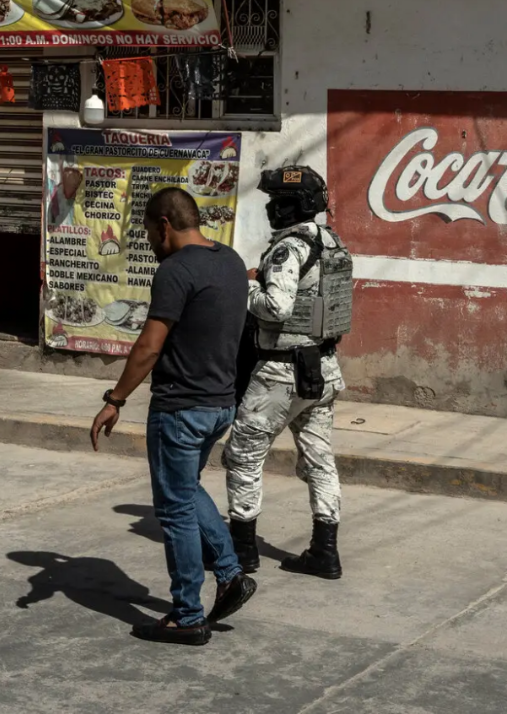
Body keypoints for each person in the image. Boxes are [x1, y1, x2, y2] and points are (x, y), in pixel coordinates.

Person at [90, 186, 257, 645]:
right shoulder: (231, 262)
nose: (147, 239)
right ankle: (230, 574)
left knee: (175, 510)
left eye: (146, 230)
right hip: (220, 404)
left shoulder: (175, 270)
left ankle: (187, 614)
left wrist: (115, 399)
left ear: (164, 224)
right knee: (186, 491)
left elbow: (148, 346)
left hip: (181, 408)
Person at [224, 165, 352, 581]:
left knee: (244, 455)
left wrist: (242, 289)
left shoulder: (289, 248)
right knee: (319, 460)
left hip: (281, 372)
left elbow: (276, 307)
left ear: (289, 206)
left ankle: (242, 552)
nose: (268, 209)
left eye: (274, 202)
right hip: (323, 368)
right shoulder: (333, 243)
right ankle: (325, 551)